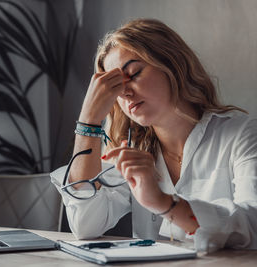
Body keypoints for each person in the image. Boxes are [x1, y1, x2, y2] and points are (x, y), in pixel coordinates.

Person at [50, 18, 257, 252]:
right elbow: (84, 225)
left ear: (172, 63)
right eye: (115, 87)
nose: (126, 92)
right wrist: (88, 121)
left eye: (134, 73)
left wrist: (163, 202)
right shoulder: (133, 150)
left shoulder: (243, 134)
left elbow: (252, 224)